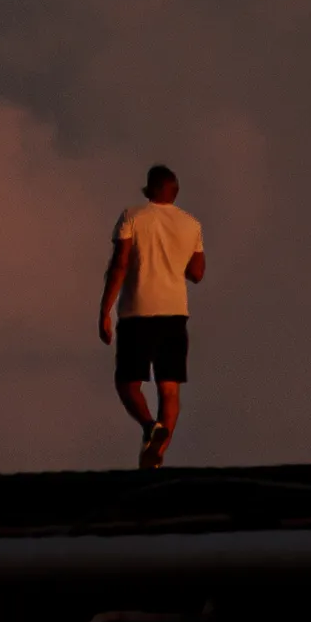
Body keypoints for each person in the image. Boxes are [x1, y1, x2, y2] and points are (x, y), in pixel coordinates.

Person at [99, 165, 205, 469]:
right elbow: (197, 273)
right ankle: (158, 452)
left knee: (127, 384)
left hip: (137, 312)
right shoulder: (191, 224)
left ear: (149, 188)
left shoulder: (133, 216)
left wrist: (104, 310)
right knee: (169, 389)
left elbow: (120, 263)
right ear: (175, 191)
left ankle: (150, 427)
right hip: (174, 314)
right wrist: (173, 259)